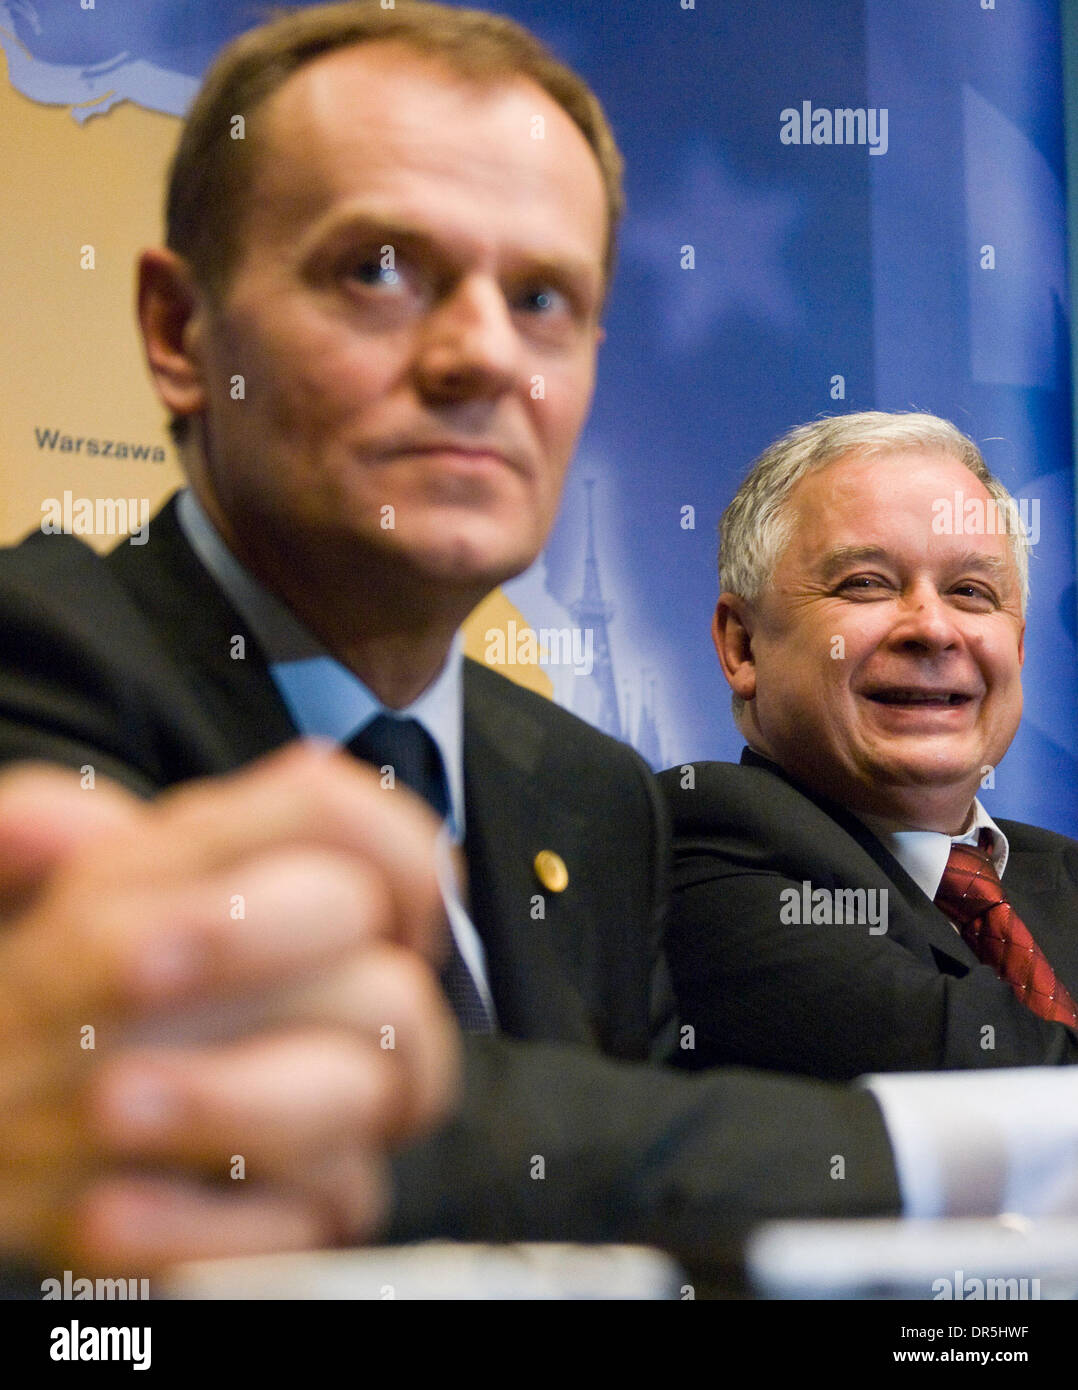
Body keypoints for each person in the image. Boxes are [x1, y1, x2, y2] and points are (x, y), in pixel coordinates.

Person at [1, 5, 1077, 1281]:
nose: (479, 356)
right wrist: (974, 1152)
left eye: (542, 298)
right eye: (379, 270)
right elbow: (326, 1134)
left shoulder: (585, 790)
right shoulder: (37, 655)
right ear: (182, 335)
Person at [661, 411, 1078, 1081]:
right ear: (743, 646)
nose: (934, 629)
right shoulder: (702, 845)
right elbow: (1000, 1077)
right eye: (866, 584)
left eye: (971, 592)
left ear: (1019, 648)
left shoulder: (1064, 871)